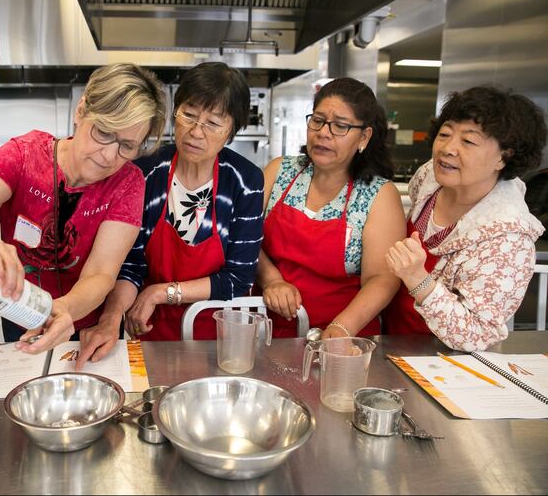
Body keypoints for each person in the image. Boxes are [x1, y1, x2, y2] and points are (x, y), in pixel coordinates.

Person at [0, 63, 166, 368]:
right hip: (18, 312)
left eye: (127, 146)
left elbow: (100, 273)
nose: (109, 156)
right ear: (81, 111)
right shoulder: (25, 155)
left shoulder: (128, 183)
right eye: (104, 133)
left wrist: (63, 309)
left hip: (87, 325)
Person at [95, 62, 265, 343]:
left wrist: (162, 292)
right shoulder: (146, 170)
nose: (196, 132)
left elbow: (239, 279)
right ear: (175, 113)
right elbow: (130, 263)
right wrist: (111, 318)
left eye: (213, 123)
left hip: (219, 335)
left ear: (232, 130)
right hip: (147, 326)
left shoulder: (245, 180)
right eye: (189, 115)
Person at [383, 86, 546, 351]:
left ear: (504, 157)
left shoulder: (509, 240)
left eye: (468, 141)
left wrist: (418, 279)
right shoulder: (430, 178)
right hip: (390, 338)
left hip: (440, 359)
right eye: (445, 134)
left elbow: (476, 333)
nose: (447, 148)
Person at [257, 77, 406, 338]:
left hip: (341, 336)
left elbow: (382, 278)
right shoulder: (279, 171)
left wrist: (342, 327)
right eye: (318, 120)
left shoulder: (378, 195)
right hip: (266, 329)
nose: (323, 132)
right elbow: (244, 239)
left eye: (340, 126)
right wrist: (272, 279)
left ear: (364, 137)